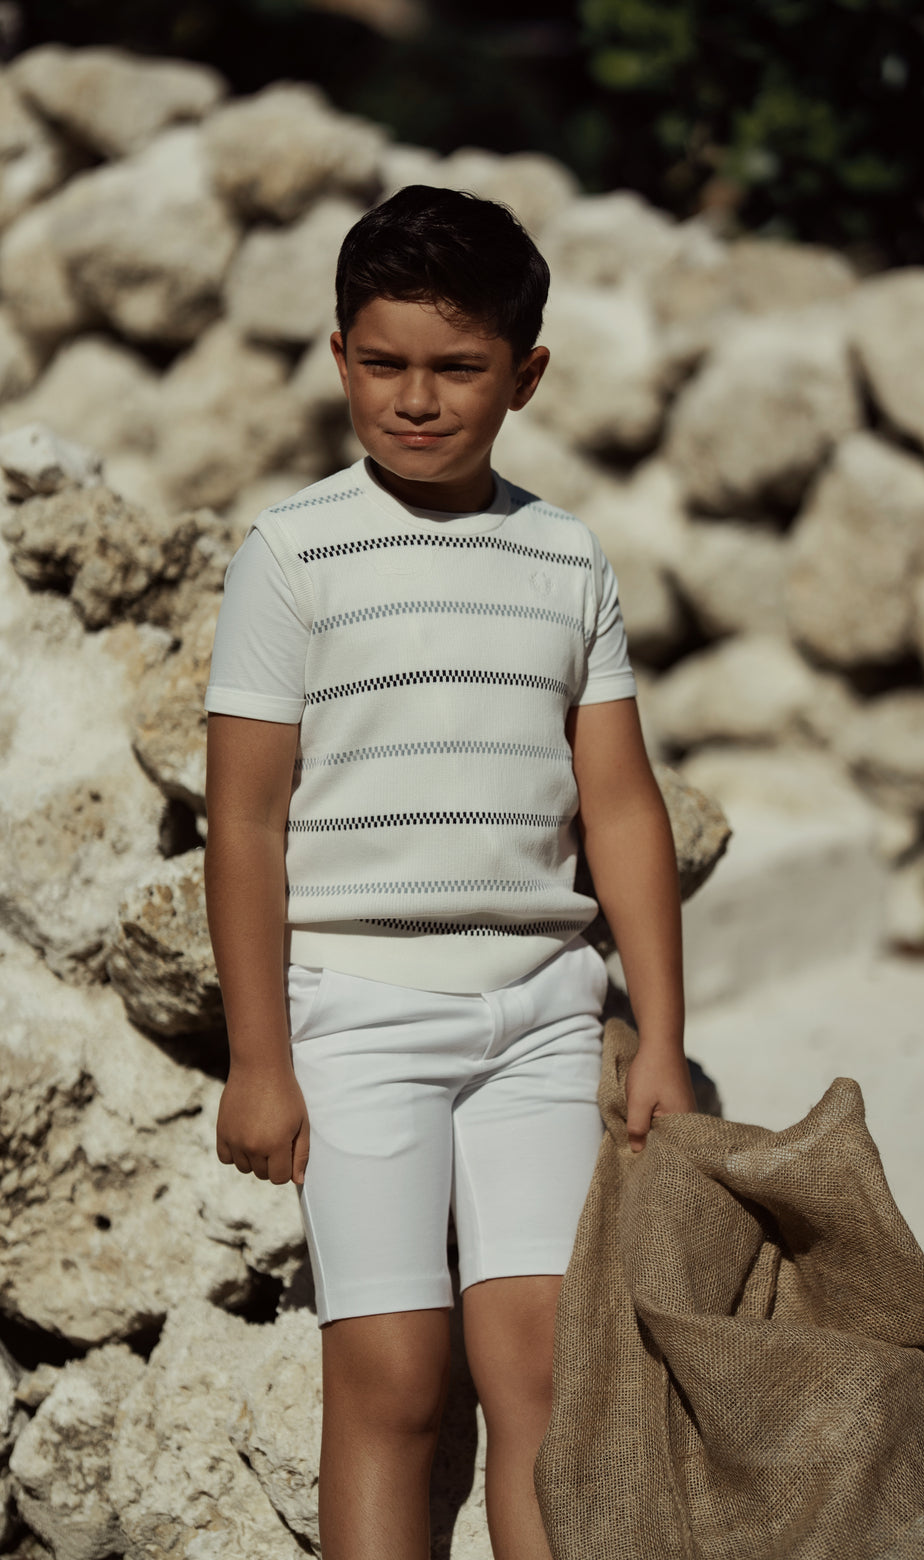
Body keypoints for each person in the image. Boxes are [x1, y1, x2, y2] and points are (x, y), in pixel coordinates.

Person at [203, 184, 696, 1560]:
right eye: (383, 363)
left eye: (458, 368)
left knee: (543, 1375)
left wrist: (661, 1036)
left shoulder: (566, 557)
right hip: (357, 1015)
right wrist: (260, 1061)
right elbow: (243, 822)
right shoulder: (290, 556)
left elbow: (620, 806)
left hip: (541, 1017)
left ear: (525, 374)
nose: (415, 400)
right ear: (339, 355)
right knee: (394, 1381)